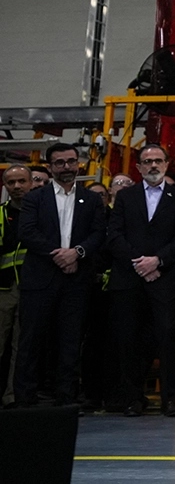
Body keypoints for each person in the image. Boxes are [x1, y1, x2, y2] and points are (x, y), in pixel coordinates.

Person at [107, 144, 175, 417]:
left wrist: (158, 261)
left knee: (167, 339)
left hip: (163, 279)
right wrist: (140, 263)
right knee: (128, 339)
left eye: (158, 161)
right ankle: (133, 399)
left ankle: (169, 400)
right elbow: (114, 235)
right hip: (129, 278)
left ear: (167, 164)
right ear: (138, 167)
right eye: (147, 161)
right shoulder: (125, 197)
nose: (153, 165)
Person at [13, 144, 106, 408]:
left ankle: (66, 398)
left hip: (76, 281)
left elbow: (99, 233)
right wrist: (59, 255)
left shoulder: (90, 200)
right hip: (40, 280)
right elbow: (27, 232)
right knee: (31, 341)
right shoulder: (35, 198)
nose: (67, 167)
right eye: (60, 162)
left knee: (70, 341)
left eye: (71, 161)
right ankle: (25, 400)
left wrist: (77, 253)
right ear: (50, 166)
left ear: (79, 164)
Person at [0, 166, 31, 408]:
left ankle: (12, 396)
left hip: (32, 287)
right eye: (11, 182)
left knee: (21, 347)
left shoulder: (42, 213)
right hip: (3, 288)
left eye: (22, 181)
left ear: (31, 183)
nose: (17, 186)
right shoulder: (1, 214)